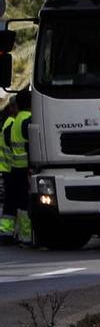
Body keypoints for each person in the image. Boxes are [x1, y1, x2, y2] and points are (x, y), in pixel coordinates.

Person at [1, 92, 32, 245]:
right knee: (24, 203)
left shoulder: (15, 121)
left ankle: (7, 233)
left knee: (12, 202)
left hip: (14, 168)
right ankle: (25, 236)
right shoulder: (28, 120)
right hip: (25, 167)